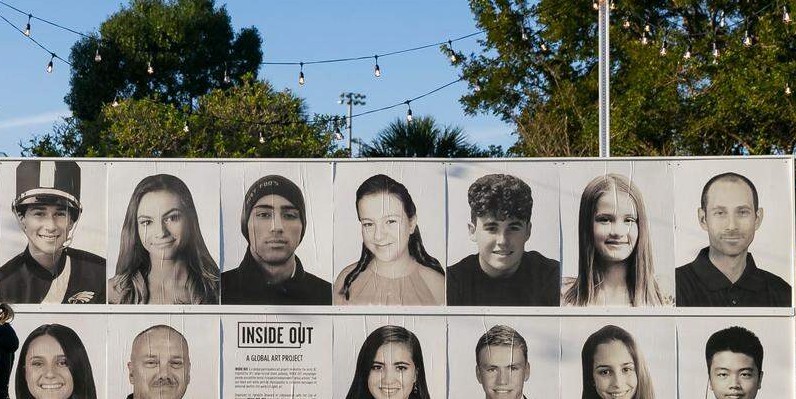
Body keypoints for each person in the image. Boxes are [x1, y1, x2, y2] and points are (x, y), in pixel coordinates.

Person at [675, 172, 792, 307]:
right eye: (720, 213)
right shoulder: (674, 287)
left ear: (757, 218)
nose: (732, 226)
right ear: (703, 219)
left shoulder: (782, 292)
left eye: (742, 212)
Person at [0, 161, 106, 304]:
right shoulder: (3, 281)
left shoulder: (98, 271)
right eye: (39, 214)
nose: (50, 226)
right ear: (22, 218)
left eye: (60, 214)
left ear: (72, 221)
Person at [447, 174, 560, 306]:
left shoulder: (552, 276)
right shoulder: (452, 281)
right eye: (492, 228)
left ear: (528, 231)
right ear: (472, 231)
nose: (502, 241)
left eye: (513, 228)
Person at [333, 174, 445, 305]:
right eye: (368, 224)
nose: (378, 236)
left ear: (411, 223)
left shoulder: (436, 285)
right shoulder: (346, 280)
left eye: (391, 221)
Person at [108, 174, 220, 304]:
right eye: (147, 222)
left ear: (190, 220)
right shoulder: (113, 292)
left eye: (172, 218)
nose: (161, 232)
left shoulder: (217, 290)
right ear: (135, 228)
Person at [562, 173, 671, 307]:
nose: (618, 232)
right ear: (586, 225)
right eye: (605, 220)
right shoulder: (562, 297)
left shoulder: (665, 296)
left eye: (629, 220)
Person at [221, 174, 332, 305]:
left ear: (303, 225)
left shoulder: (327, 295)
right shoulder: (218, 291)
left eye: (289, 215)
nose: (277, 227)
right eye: (264, 215)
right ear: (246, 224)